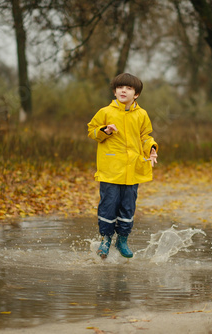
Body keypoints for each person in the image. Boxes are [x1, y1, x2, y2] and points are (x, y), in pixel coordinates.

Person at [87, 73, 158, 259]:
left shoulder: (142, 114)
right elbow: (92, 131)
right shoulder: (105, 112)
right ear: (115, 91)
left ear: (136, 95)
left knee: (128, 206)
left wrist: (151, 148)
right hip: (110, 169)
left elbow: (145, 137)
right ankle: (106, 239)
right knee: (108, 205)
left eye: (128, 88)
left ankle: (123, 239)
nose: (123, 90)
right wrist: (105, 131)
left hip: (132, 170)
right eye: (120, 87)